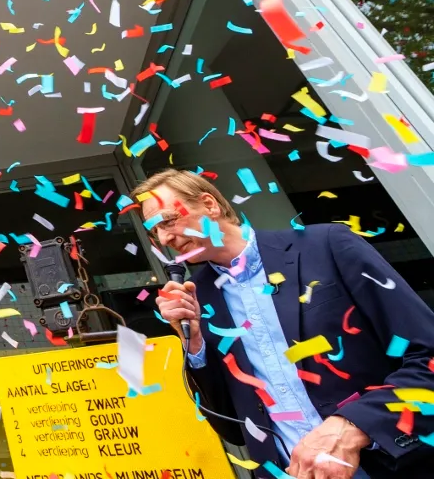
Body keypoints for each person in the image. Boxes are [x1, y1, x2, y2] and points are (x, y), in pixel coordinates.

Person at [143, 169, 434, 479]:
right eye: (153, 233)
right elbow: (233, 428)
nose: (164, 239)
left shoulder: (326, 245)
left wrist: (354, 424)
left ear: (210, 205)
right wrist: (196, 345)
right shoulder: (200, 299)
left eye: (168, 221)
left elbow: (427, 356)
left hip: (393, 462)